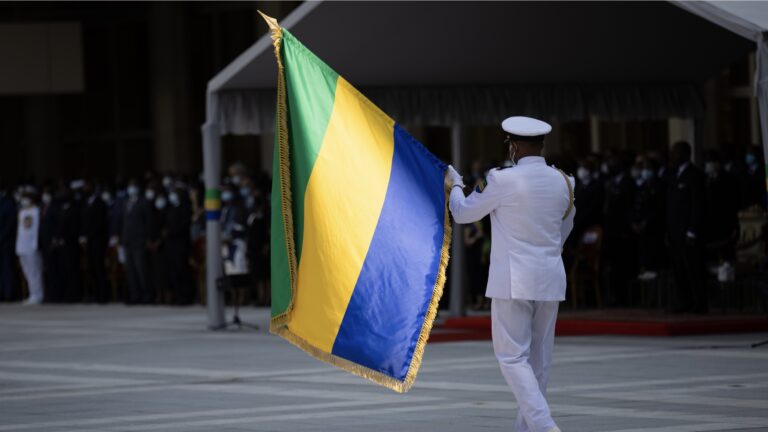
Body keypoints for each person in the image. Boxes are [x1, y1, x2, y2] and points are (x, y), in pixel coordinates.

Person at [446, 116, 574, 432]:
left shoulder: (502, 179)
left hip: (513, 280)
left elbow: (462, 213)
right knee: (539, 362)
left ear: (514, 146)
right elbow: (564, 229)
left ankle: (545, 427)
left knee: (512, 358)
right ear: (541, 146)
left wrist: (456, 186)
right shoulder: (565, 181)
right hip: (549, 276)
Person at [666, 141, 707, 314]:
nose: (673, 155)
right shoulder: (674, 175)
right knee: (679, 269)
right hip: (675, 231)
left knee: (694, 269)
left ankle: (699, 303)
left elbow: (697, 205)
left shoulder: (695, 175)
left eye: (676, 152)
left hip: (688, 231)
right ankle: (684, 301)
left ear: (684, 154)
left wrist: (692, 230)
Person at [121, 179, 152, 304]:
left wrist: (147, 238)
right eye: (130, 186)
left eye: (133, 186)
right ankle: (135, 295)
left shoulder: (144, 202)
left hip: (139, 241)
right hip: (128, 241)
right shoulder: (126, 202)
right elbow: (124, 222)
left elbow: (148, 222)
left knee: (142, 271)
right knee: (131, 271)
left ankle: (147, 295)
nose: (131, 188)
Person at [80, 180, 109, 303]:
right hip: (89, 241)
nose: (85, 189)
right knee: (91, 268)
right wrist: (83, 236)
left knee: (99, 268)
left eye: (87, 187)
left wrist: (89, 235)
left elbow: (100, 222)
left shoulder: (100, 203)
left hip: (98, 240)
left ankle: (103, 295)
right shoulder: (85, 203)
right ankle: (95, 294)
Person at [16, 192, 44, 305]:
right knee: (27, 272)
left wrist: (36, 244)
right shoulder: (22, 212)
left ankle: (38, 294)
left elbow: (36, 229)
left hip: (32, 245)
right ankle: (32, 294)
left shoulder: (36, 211)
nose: (24, 200)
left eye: (26, 198)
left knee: (35, 271)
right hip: (22, 245)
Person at [0, 183, 19, 302]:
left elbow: (10, 224)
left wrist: (2, 237)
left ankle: (9, 293)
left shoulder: (8, 203)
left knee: (7, 268)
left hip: (6, 241)